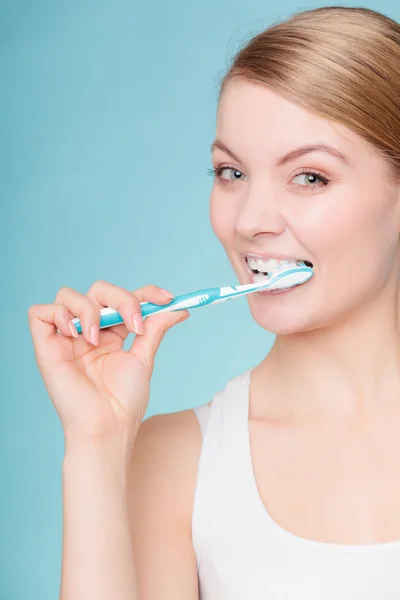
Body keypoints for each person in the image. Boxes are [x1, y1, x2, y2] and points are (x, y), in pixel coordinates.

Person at [28, 5, 400, 599]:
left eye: (309, 177)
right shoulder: (179, 463)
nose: (250, 222)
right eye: (231, 173)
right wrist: (96, 445)